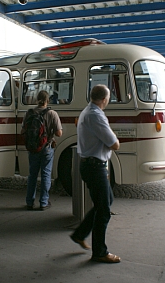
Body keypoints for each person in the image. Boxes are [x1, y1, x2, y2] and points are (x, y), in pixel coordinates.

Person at [70, 84, 121, 264]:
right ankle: (99, 251)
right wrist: (114, 140)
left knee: (106, 201)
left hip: (92, 165)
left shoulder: (87, 111)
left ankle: (80, 234)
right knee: (104, 210)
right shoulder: (96, 116)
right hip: (94, 166)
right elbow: (114, 144)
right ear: (105, 99)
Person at [21, 90, 62, 210]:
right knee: (45, 174)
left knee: (32, 175)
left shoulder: (29, 113)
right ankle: (43, 202)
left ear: (36, 100)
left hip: (33, 148)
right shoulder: (52, 113)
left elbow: (22, 131)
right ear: (47, 100)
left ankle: (29, 202)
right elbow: (59, 133)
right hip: (47, 148)